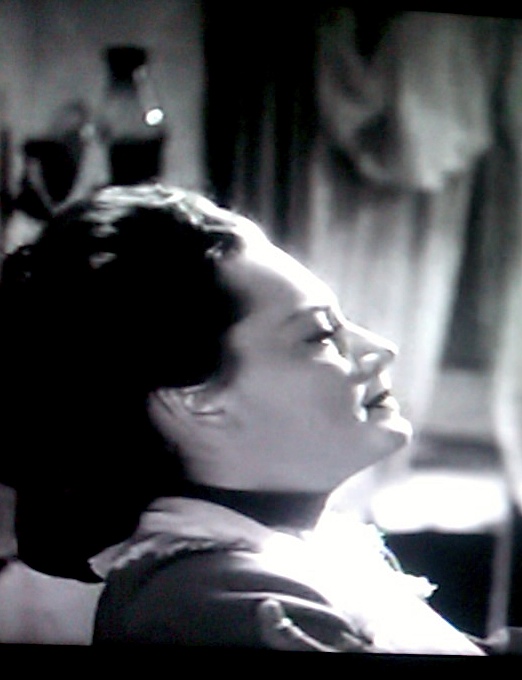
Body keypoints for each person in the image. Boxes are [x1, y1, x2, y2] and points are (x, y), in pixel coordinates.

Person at [0, 184, 483, 654]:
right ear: (196, 399)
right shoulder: (214, 607)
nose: (380, 349)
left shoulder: (304, 551)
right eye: (319, 335)